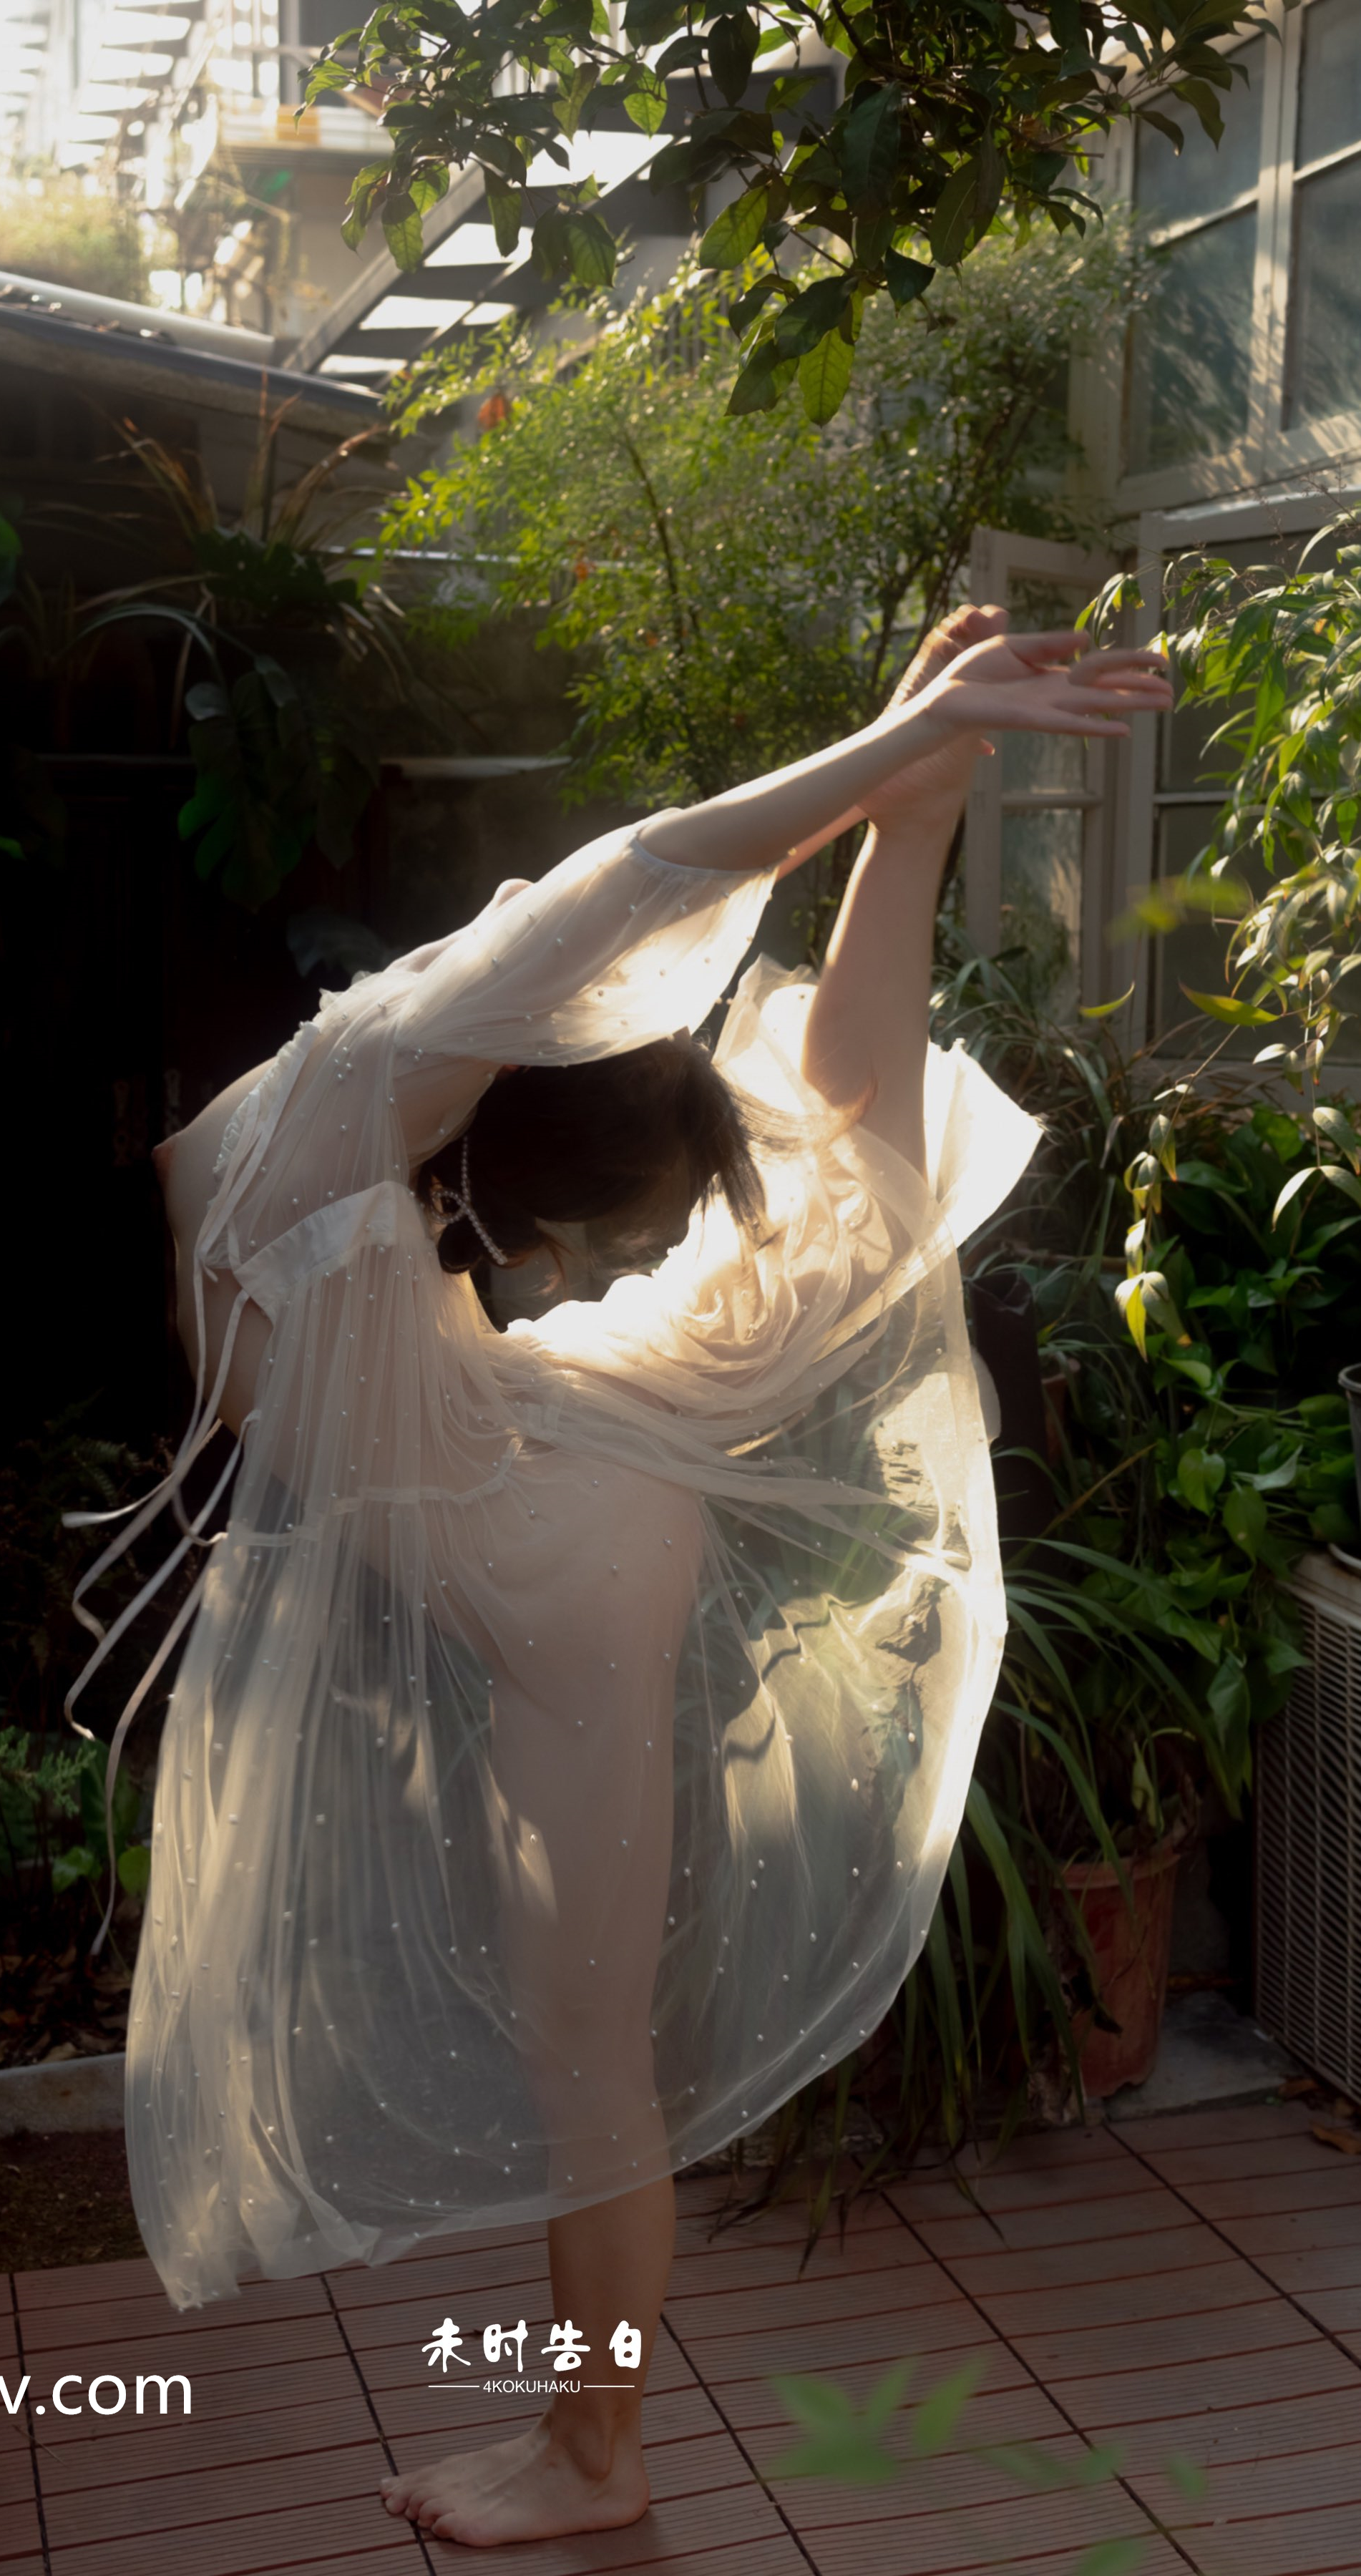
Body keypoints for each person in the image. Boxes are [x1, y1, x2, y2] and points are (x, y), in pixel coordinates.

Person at [70, 608, 1171, 2547]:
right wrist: (900, 777)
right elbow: (621, 923)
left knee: (588, 2060)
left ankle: (593, 2457)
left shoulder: (302, 1135)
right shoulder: (334, 1157)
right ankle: (593, 2452)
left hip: (554, 1554)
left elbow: (624, 886)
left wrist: (884, 745)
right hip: (577, 1495)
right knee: (843, 1193)